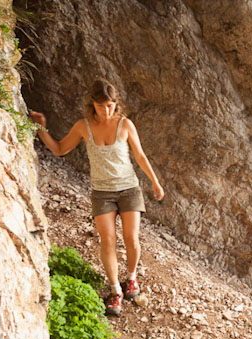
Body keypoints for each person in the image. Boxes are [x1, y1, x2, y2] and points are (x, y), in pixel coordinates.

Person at [30, 78, 164, 316]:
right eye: (102, 106)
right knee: (108, 240)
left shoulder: (125, 124)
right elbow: (60, 149)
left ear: (115, 104)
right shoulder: (84, 126)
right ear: (93, 104)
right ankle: (115, 291)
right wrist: (41, 127)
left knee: (131, 238)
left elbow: (140, 156)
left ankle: (131, 278)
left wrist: (155, 181)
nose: (106, 110)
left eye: (111, 105)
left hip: (129, 189)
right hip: (102, 193)